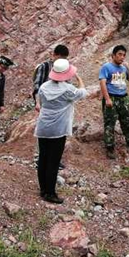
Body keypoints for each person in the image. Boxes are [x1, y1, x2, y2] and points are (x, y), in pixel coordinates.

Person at [34, 59, 87, 204]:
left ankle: (43, 189)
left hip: (43, 127)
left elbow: (42, 102)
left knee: (43, 158)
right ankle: (50, 193)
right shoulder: (68, 90)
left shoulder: (44, 87)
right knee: (54, 160)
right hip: (58, 129)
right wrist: (79, 79)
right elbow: (83, 92)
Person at [99, 45, 129, 159]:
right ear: (113, 55)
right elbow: (102, 83)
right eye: (120, 54)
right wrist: (107, 99)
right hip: (112, 97)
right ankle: (110, 147)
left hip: (123, 98)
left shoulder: (123, 67)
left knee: (126, 121)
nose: (122, 57)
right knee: (110, 123)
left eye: (124, 55)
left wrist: (128, 67)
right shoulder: (106, 67)